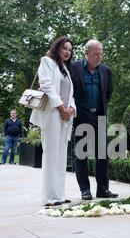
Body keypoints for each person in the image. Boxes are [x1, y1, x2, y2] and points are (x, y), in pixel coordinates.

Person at [29, 36, 76, 206]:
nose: (67, 52)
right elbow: (46, 85)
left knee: (62, 156)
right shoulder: (47, 62)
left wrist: (71, 109)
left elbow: (71, 93)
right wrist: (61, 107)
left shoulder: (66, 70)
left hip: (65, 117)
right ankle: (49, 197)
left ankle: (59, 195)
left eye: (70, 50)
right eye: (65, 48)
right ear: (57, 48)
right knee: (51, 155)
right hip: (52, 114)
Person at [69, 39, 118, 200]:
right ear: (87, 53)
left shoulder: (106, 71)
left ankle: (103, 189)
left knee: (103, 154)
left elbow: (108, 94)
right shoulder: (74, 67)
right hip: (81, 114)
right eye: (96, 54)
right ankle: (85, 190)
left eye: (101, 54)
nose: (99, 57)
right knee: (81, 154)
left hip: (99, 115)